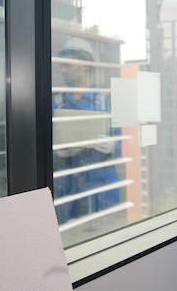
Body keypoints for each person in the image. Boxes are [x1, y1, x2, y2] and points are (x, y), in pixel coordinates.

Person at [52, 36, 121, 227]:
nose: (63, 70)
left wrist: (113, 146)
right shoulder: (56, 103)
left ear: (84, 66)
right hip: (68, 194)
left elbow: (124, 142)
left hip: (101, 193)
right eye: (61, 66)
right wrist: (57, 152)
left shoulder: (105, 100)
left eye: (68, 65)